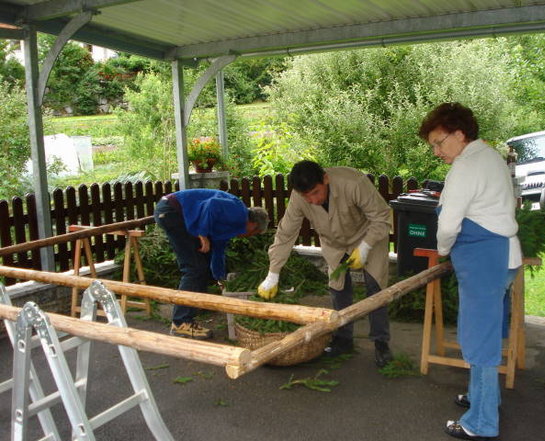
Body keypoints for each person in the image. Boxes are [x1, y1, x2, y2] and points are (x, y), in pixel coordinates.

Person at [418, 103, 522, 441]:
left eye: (439, 142)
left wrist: (444, 250)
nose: (436, 152)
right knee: (483, 334)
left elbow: (448, 223)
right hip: (502, 256)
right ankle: (481, 398)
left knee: (480, 340)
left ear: (459, 134)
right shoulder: (489, 156)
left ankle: (481, 422)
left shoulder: (466, 166)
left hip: (484, 259)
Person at [257, 160, 394, 367]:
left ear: (326, 179)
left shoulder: (353, 182)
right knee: (337, 286)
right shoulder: (299, 196)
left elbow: (382, 217)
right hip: (334, 242)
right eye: (306, 196)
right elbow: (286, 233)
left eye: (315, 192)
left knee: (375, 287)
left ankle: (381, 342)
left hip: (369, 235)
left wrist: (365, 247)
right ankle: (343, 338)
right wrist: (273, 273)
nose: (312, 200)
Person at [154, 188, 269, 339]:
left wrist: (220, 278)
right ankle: (181, 323)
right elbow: (212, 205)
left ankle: (194, 308)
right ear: (253, 224)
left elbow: (218, 253)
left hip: (175, 213)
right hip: (172, 210)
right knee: (194, 269)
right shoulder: (238, 212)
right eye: (253, 233)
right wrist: (203, 234)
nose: (248, 236)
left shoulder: (230, 227)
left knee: (202, 264)